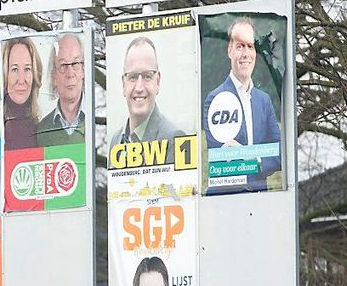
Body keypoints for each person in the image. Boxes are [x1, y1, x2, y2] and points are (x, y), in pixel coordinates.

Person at [202, 17, 281, 188]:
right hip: (227, 199)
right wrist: (257, 157)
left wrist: (252, 159)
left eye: (250, 46)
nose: (246, 53)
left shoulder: (264, 101)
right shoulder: (215, 99)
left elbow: (280, 153)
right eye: (239, 46)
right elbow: (222, 159)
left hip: (259, 200)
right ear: (229, 51)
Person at [109, 36, 185, 164]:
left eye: (147, 76)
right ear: (123, 84)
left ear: (158, 81)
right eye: (132, 77)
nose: (139, 88)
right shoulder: (116, 141)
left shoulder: (175, 139)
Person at [36, 33, 87, 147]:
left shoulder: (98, 121)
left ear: (83, 70)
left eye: (75, 63)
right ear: (54, 76)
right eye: (63, 65)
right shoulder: (41, 131)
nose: (70, 74)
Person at [1, 37, 42, 150]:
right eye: (14, 69)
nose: (21, 79)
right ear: (3, 74)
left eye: (27, 69)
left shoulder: (44, 131)